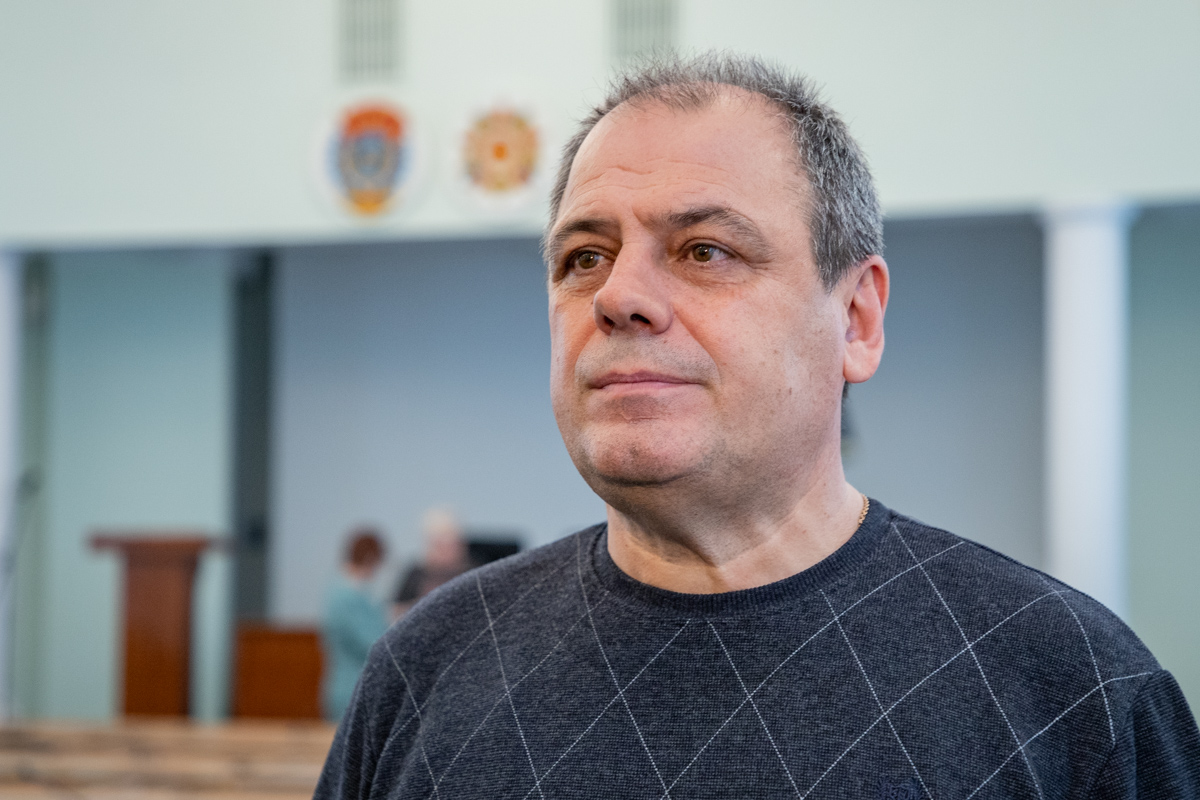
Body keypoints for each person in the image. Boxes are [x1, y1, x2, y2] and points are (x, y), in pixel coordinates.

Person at [316, 54, 1199, 798]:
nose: (618, 295)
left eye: (705, 250)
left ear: (856, 320)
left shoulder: (1070, 691)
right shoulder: (426, 669)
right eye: (585, 257)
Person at [320, 527, 388, 722]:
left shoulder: (351, 591)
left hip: (352, 684)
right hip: (350, 688)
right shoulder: (345, 595)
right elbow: (372, 642)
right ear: (370, 559)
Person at [390, 507, 474, 619]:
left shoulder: (472, 572)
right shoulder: (416, 573)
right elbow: (396, 609)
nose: (446, 549)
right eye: (440, 544)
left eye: (451, 543)